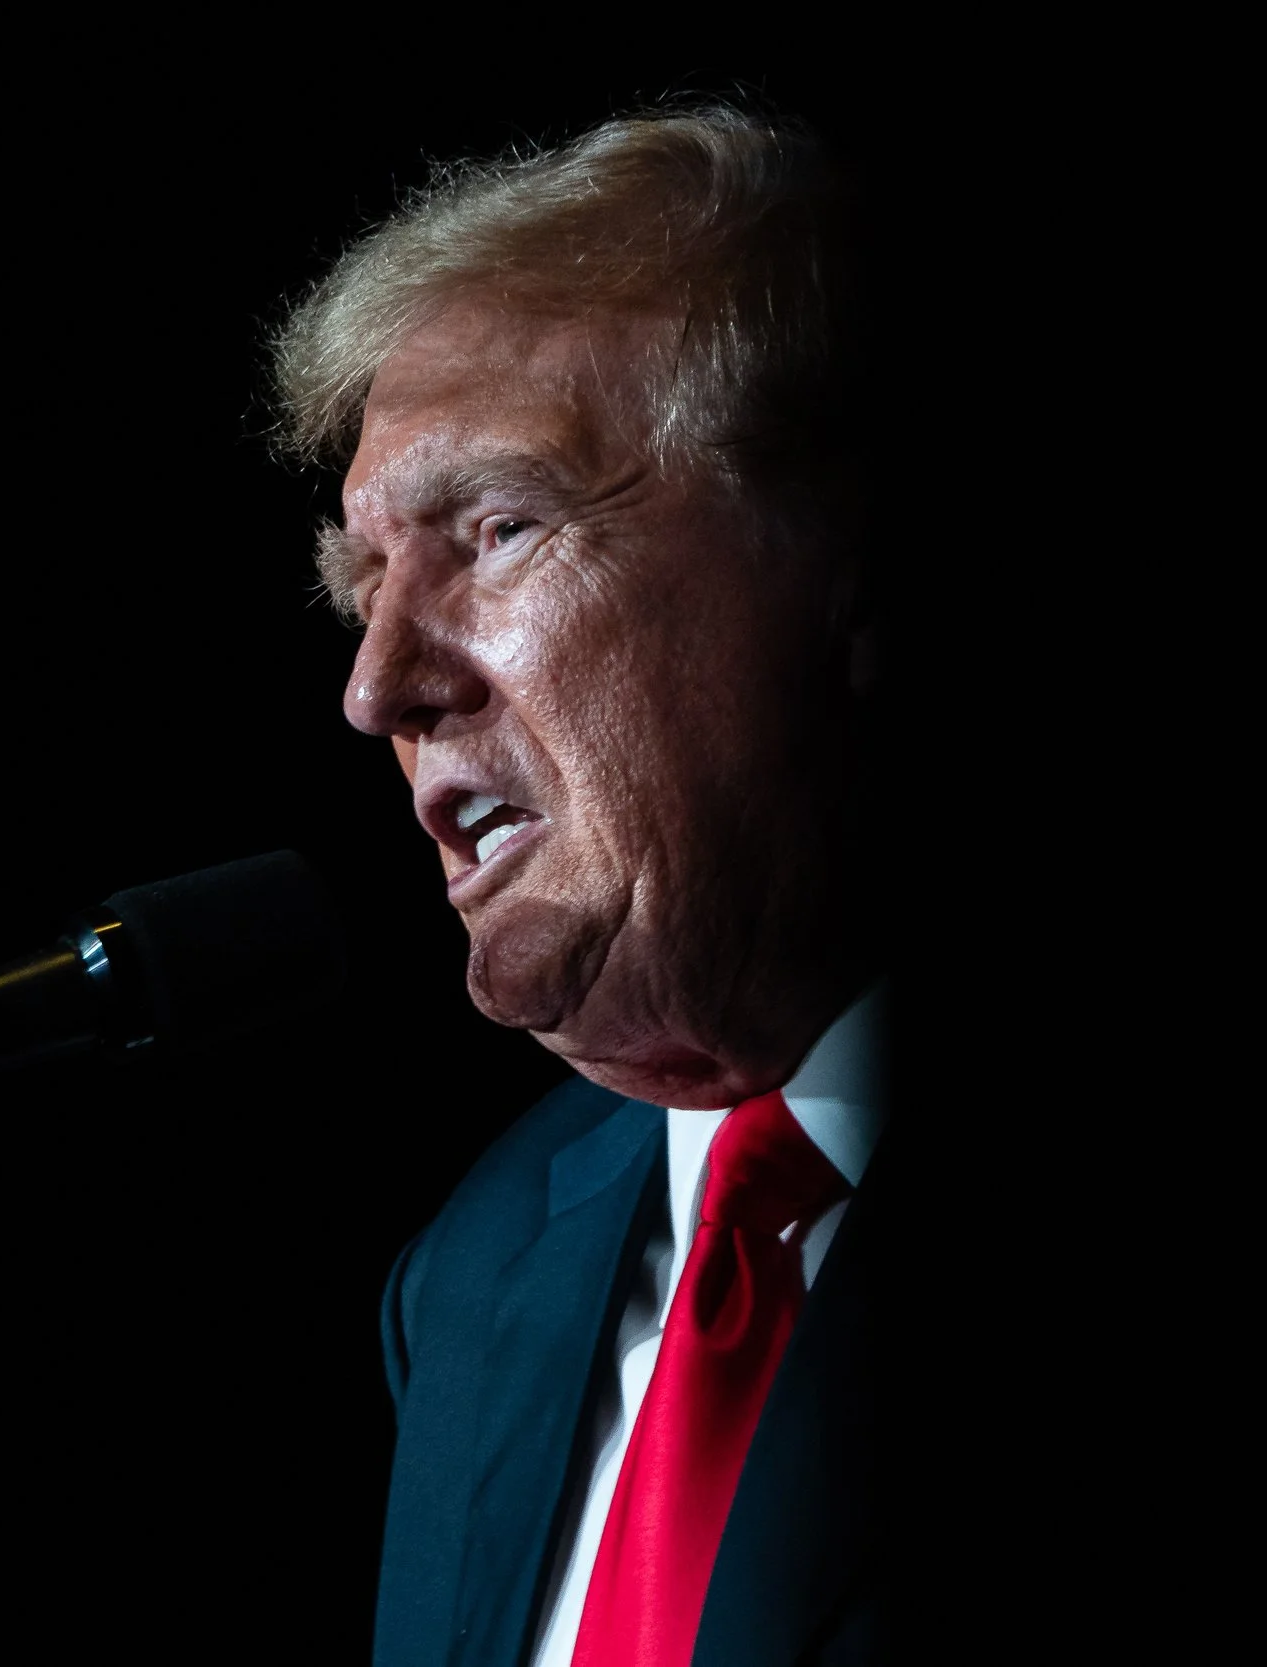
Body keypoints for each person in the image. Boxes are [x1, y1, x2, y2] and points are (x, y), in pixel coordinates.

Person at [272, 107, 910, 1666]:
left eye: (497, 529)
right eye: (363, 589)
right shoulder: (472, 1278)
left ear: (854, 566)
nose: (379, 688)